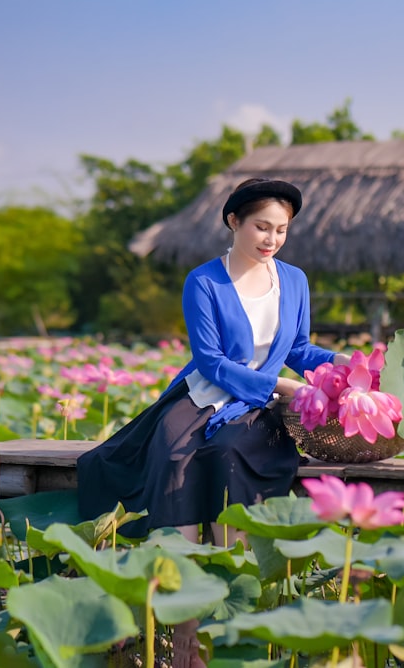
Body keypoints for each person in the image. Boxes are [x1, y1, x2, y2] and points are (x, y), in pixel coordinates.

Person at [77, 177, 349, 544]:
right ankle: (181, 566)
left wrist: (342, 362)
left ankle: (231, 560)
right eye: (262, 227)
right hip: (204, 392)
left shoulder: (294, 281)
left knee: (227, 451)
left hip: (258, 403)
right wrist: (281, 385)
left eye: (281, 230)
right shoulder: (203, 281)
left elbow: (298, 350)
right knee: (173, 454)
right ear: (234, 221)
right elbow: (211, 361)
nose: (272, 240)